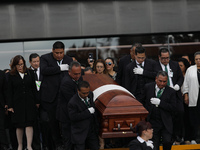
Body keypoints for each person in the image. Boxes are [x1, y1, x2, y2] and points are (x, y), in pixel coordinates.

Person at [40, 41, 73, 150]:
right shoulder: (45, 58)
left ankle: (66, 144)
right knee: (52, 123)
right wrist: (59, 68)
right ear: (52, 51)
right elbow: (44, 70)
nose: (59, 55)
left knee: (65, 122)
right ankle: (56, 144)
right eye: (56, 53)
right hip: (50, 98)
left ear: (64, 51)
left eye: (61, 53)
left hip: (64, 97)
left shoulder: (69, 60)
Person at [7, 55, 39, 150]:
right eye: (18, 65)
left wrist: (37, 101)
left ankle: (29, 146)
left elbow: (34, 88)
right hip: (17, 104)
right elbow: (9, 91)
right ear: (14, 65)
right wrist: (10, 105)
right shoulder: (11, 75)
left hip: (29, 102)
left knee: (29, 123)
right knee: (19, 125)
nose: (20, 66)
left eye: (22, 64)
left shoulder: (30, 73)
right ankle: (20, 145)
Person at [155, 48, 184, 144]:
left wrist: (177, 85)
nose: (165, 60)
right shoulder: (155, 65)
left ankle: (177, 136)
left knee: (180, 112)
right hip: (162, 93)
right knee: (165, 115)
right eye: (163, 58)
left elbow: (180, 77)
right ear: (159, 57)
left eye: (167, 58)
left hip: (175, 93)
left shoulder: (175, 65)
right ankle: (165, 137)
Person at [142, 71, 176, 150]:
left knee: (167, 142)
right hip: (152, 122)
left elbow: (173, 107)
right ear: (156, 79)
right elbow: (142, 101)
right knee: (154, 145)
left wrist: (161, 103)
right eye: (160, 81)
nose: (162, 83)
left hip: (165, 123)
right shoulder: (148, 87)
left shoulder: (171, 91)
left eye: (164, 81)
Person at [56, 61, 82, 150]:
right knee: (68, 140)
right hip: (66, 115)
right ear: (69, 72)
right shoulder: (66, 82)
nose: (77, 76)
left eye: (79, 73)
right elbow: (73, 100)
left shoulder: (79, 78)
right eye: (75, 74)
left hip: (74, 115)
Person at [68, 81, 99, 150]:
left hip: (91, 131)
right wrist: (88, 112)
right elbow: (73, 117)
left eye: (87, 92)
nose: (86, 95)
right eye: (84, 93)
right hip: (80, 132)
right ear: (78, 91)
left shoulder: (90, 94)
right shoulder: (72, 102)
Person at [182, 51, 200, 144]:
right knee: (194, 118)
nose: (198, 61)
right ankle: (194, 138)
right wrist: (186, 95)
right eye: (196, 59)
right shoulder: (190, 69)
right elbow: (186, 84)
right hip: (194, 96)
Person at [29, 53, 41, 150]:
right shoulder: (27, 73)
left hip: (44, 102)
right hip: (32, 104)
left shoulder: (43, 71)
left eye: (37, 61)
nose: (36, 64)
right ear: (30, 62)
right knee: (34, 127)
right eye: (34, 62)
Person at [177, 58, 191, 144]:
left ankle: (188, 138)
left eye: (181, 66)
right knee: (179, 120)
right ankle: (179, 137)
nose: (179, 67)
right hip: (178, 101)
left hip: (188, 101)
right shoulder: (176, 75)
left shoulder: (189, 75)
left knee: (188, 120)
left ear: (185, 67)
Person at [0, 70, 10, 150]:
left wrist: (6, 103)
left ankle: (4, 145)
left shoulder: (1, 74)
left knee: (1, 126)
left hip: (1, 104)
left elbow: (5, 89)